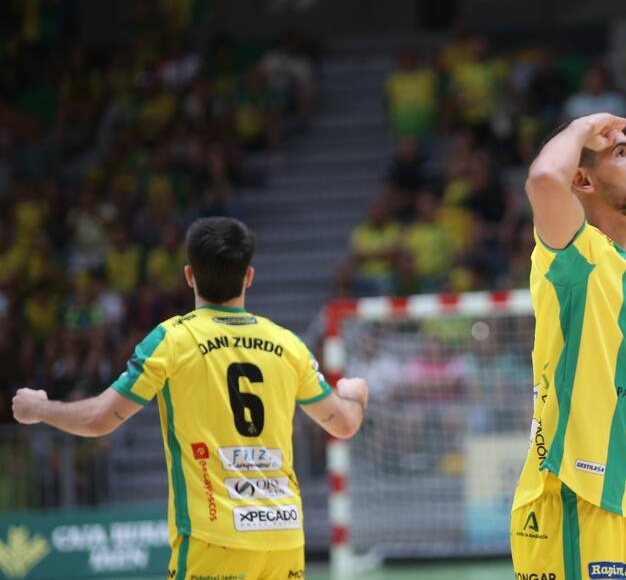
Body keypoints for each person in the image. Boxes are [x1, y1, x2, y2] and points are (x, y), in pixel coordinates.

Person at [12, 217, 370, 580]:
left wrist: (39, 408)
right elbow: (344, 424)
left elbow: (99, 419)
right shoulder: (288, 344)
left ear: (189, 275)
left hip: (213, 540)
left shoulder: (173, 340)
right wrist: (355, 394)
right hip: (283, 538)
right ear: (248, 276)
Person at [512, 113, 626, 580]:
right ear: (583, 180)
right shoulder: (576, 255)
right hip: (571, 500)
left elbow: (613, 419)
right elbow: (543, 180)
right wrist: (583, 126)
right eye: (622, 152)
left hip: (623, 510)